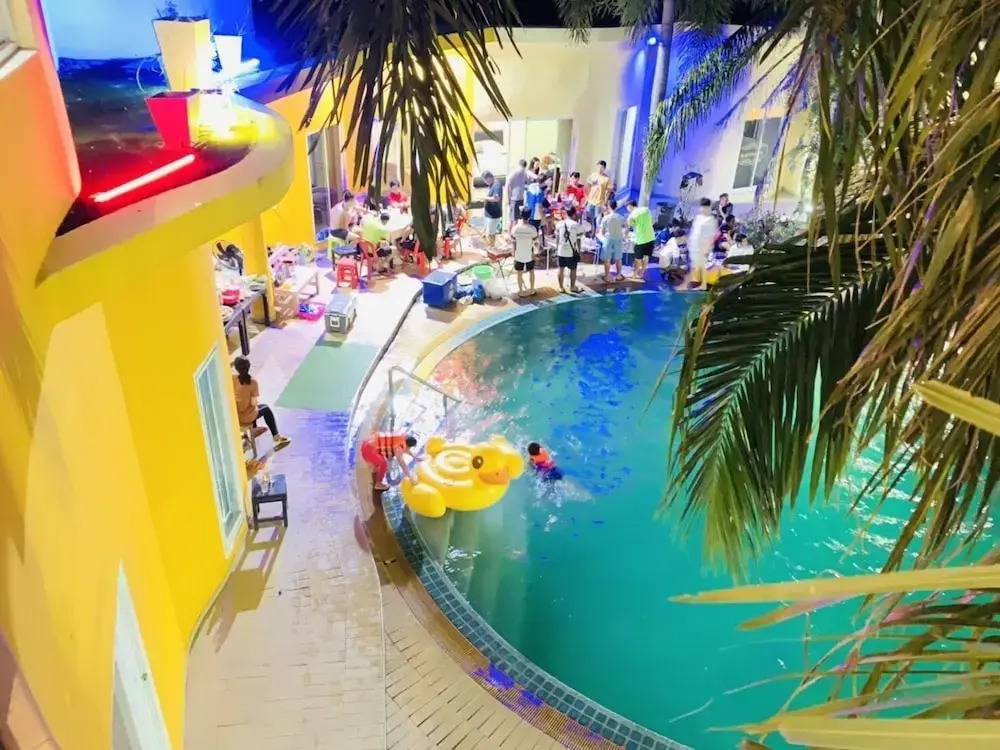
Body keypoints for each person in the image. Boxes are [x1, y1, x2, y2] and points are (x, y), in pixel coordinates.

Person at [232, 357, 291, 451]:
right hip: (247, 417)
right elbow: (253, 403)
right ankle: (276, 436)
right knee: (265, 409)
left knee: (251, 407)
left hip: (236, 415)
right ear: (249, 367)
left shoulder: (232, 379)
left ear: (236, 368)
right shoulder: (253, 382)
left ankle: (253, 430)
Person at [556, 205, 588, 294]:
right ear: (574, 214)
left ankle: (561, 287)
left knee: (560, 269)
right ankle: (572, 286)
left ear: (566, 213)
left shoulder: (559, 224)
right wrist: (579, 252)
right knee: (573, 269)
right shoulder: (576, 225)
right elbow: (578, 240)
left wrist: (557, 248)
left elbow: (557, 238)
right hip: (571, 251)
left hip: (561, 250)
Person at [689, 198, 719, 288]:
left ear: (708, 208)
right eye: (701, 207)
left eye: (705, 207)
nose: (702, 209)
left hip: (703, 247)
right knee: (695, 265)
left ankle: (704, 284)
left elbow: (710, 236)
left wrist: (706, 249)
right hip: (695, 245)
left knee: (703, 266)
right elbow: (694, 232)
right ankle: (695, 281)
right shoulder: (698, 218)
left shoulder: (711, 220)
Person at [510, 207, 539, 297]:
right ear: (529, 216)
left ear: (520, 215)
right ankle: (532, 290)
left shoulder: (515, 228)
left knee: (519, 273)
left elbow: (512, 239)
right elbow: (535, 239)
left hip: (519, 254)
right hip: (529, 254)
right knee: (531, 271)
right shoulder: (532, 229)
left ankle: (521, 291)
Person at [626, 199, 656, 280]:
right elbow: (652, 222)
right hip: (651, 237)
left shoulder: (632, 215)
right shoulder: (646, 209)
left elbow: (628, 226)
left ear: (629, 206)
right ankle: (642, 273)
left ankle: (634, 274)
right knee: (646, 256)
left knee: (637, 258)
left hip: (641, 239)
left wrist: (625, 236)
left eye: (627, 208)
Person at [599, 198, 626, 282]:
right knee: (618, 258)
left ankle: (607, 276)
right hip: (618, 238)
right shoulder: (621, 217)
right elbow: (627, 226)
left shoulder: (606, 218)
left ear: (609, 207)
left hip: (608, 239)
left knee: (607, 259)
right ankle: (619, 275)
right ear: (616, 207)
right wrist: (624, 235)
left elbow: (602, 231)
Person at [586, 160, 612, 228]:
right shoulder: (593, 175)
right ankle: (591, 230)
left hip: (600, 202)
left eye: (601, 167)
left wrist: (605, 201)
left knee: (598, 219)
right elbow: (588, 185)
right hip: (591, 200)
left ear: (604, 168)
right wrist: (587, 197)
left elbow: (608, 191)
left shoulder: (606, 179)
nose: (600, 169)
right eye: (598, 167)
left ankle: (596, 232)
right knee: (589, 217)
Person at [482, 171, 503, 248]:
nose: (485, 182)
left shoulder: (497, 185)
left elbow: (496, 199)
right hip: (489, 213)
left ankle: (492, 247)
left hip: (493, 214)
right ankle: (489, 247)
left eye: (485, 180)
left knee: (491, 233)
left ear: (489, 178)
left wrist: (485, 198)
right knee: (487, 232)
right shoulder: (491, 185)